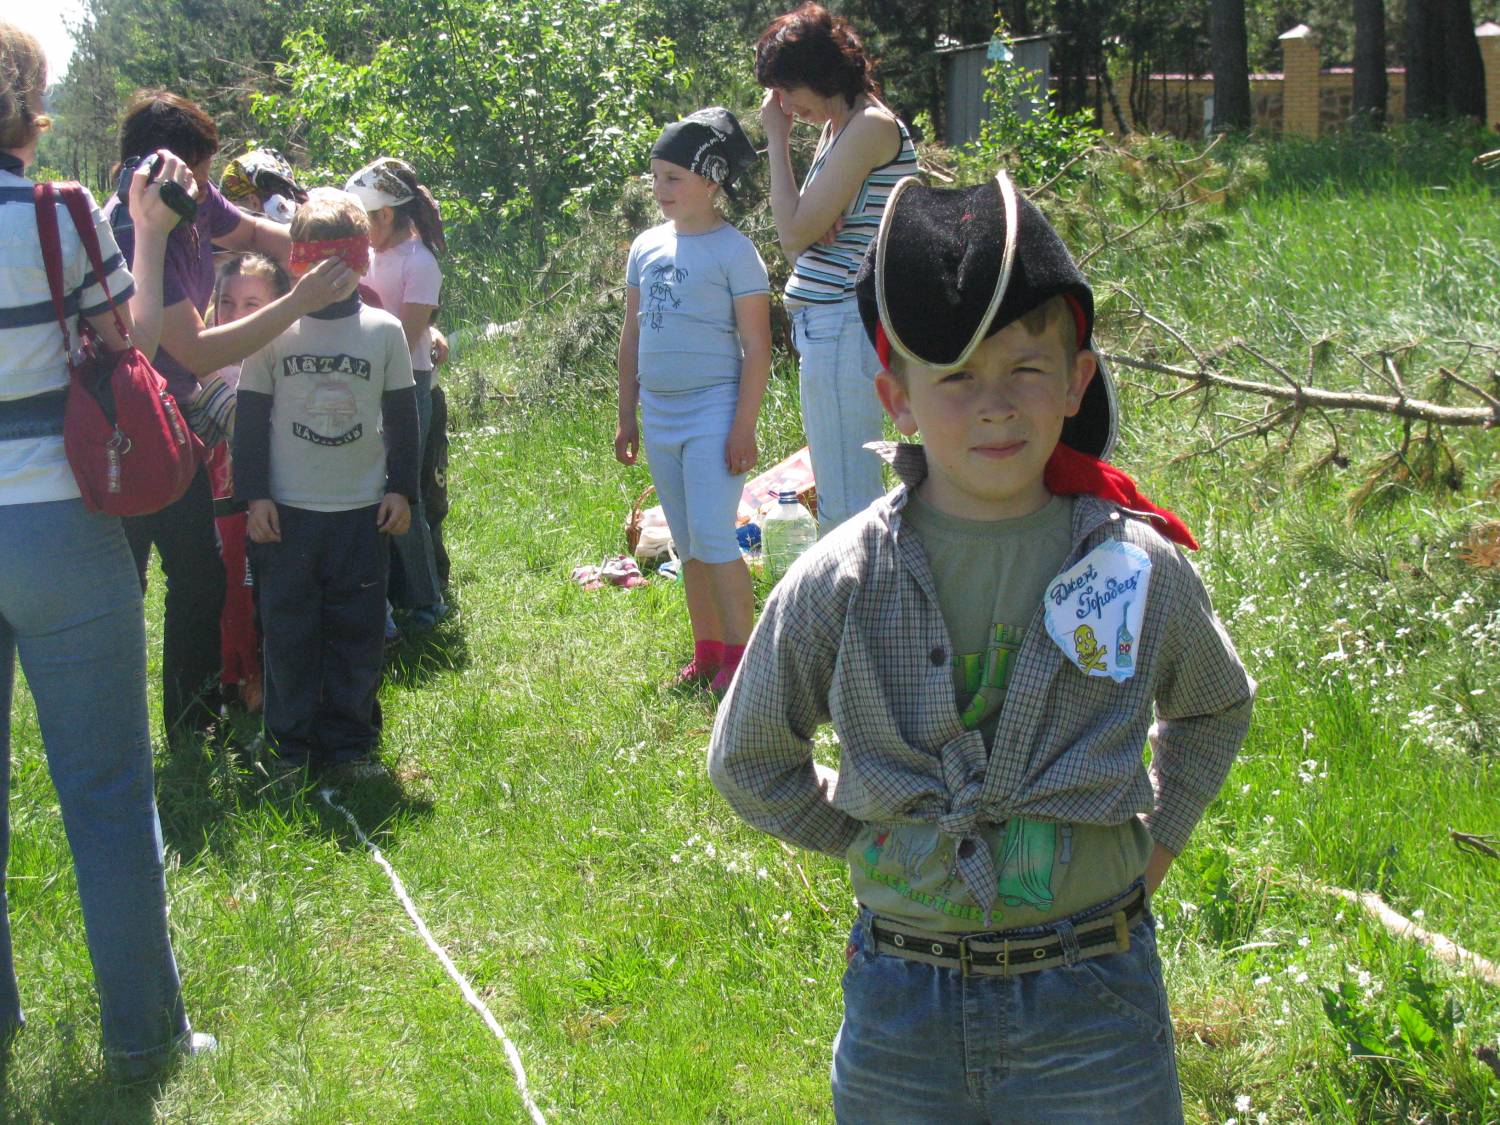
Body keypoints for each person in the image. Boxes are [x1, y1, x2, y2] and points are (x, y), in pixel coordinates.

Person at [708, 170, 1255, 1121]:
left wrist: (1157, 842)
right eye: (956, 377)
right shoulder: (842, 579)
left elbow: (1213, 703)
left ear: (1076, 381)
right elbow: (749, 756)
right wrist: (871, 830)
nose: (995, 404)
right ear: (898, 398)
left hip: (1095, 994)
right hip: (904, 1001)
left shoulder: (1135, 564)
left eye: (1025, 369)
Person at [0, 22, 214, 1077]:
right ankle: (143, 1036)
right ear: (30, 106)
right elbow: (128, 341)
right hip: (57, 518)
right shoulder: (58, 211)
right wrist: (146, 228)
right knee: (106, 790)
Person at [107, 90, 361, 743]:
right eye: (196, 170)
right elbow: (194, 348)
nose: (204, 185)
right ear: (157, 166)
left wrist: (321, 249)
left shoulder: (185, 199)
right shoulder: (135, 230)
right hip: (126, 434)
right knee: (125, 587)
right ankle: (121, 736)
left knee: (198, 575)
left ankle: (193, 725)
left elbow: (248, 231)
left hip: (174, 421)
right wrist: (300, 299)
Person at [234, 189, 419, 782]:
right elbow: (249, 419)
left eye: (343, 262)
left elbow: (404, 417)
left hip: (361, 511)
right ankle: (288, 747)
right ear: (297, 264)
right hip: (287, 514)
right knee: (287, 632)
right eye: (316, 264)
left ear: (362, 261)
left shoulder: (383, 331)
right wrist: (255, 497)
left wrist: (402, 490)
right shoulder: (273, 331)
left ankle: (350, 746)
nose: (330, 277)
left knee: (357, 633)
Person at [614, 109, 771, 694]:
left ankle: (744, 658)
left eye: (673, 178)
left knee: (712, 535)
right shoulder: (646, 246)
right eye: (655, 177)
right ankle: (708, 652)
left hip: (714, 410)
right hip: (659, 413)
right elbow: (632, 335)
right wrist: (626, 415)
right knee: (688, 544)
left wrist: (742, 426)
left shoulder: (735, 252)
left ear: (711, 181)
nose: (660, 189)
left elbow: (758, 347)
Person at [754, 2, 920, 532]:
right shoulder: (839, 129)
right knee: (841, 491)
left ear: (819, 72)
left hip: (846, 322)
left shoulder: (869, 126)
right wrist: (807, 226)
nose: (782, 105)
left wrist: (776, 140)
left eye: (786, 89)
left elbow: (791, 234)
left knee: (847, 504)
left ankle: (863, 586)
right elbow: (799, 245)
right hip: (828, 323)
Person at [344, 157, 449, 629]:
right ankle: (385, 593)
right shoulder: (369, 255)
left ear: (384, 215)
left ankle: (426, 598)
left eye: (361, 219)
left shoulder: (419, 262)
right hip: (365, 380)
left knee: (404, 490)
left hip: (406, 385)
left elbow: (405, 339)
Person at [202, 253, 293, 712]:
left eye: (252, 305)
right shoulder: (204, 362)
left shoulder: (287, 358)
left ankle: (267, 670)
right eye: (227, 302)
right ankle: (236, 674)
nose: (236, 315)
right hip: (222, 498)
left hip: (277, 494)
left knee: (267, 586)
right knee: (231, 587)